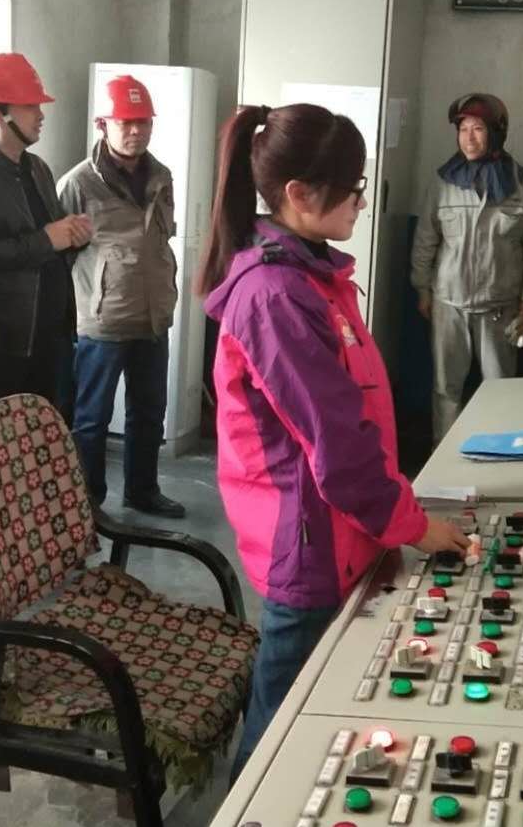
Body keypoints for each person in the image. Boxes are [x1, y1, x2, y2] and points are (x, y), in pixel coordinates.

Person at [197, 103, 471, 783]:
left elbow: (353, 415)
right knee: (278, 729)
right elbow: (338, 445)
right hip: (311, 544)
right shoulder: (275, 296)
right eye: (352, 188)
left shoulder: (313, 276)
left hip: (342, 530)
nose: (361, 201)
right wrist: (414, 526)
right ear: (298, 194)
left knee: (311, 706)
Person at [57, 75, 184, 517]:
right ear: (103, 125)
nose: (135, 131)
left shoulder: (162, 176)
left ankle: (143, 491)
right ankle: (89, 502)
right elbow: (59, 258)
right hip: (102, 323)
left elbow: (161, 240)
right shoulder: (78, 184)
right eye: (125, 122)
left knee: (149, 412)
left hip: (153, 316)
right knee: (91, 418)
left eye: (143, 122)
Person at [0, 53, 89, 413]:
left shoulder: (37, 168)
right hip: (1, 348)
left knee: (45, 441)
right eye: (30, 106)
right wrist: (47, 239)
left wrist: (74, 237)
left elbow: (53, 244)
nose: (41, 114)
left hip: (49, 342)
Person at [410, 93, 523, 442]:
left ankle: (499, 455)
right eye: (463, 130)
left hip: (500, 307)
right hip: (449, 303)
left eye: (478, 129)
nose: (469, 138)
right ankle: (443, 458)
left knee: (500, 390)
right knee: (446, 389)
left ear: (496, 132)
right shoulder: (443, 182)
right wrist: (422, 288)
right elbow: (426, 238)